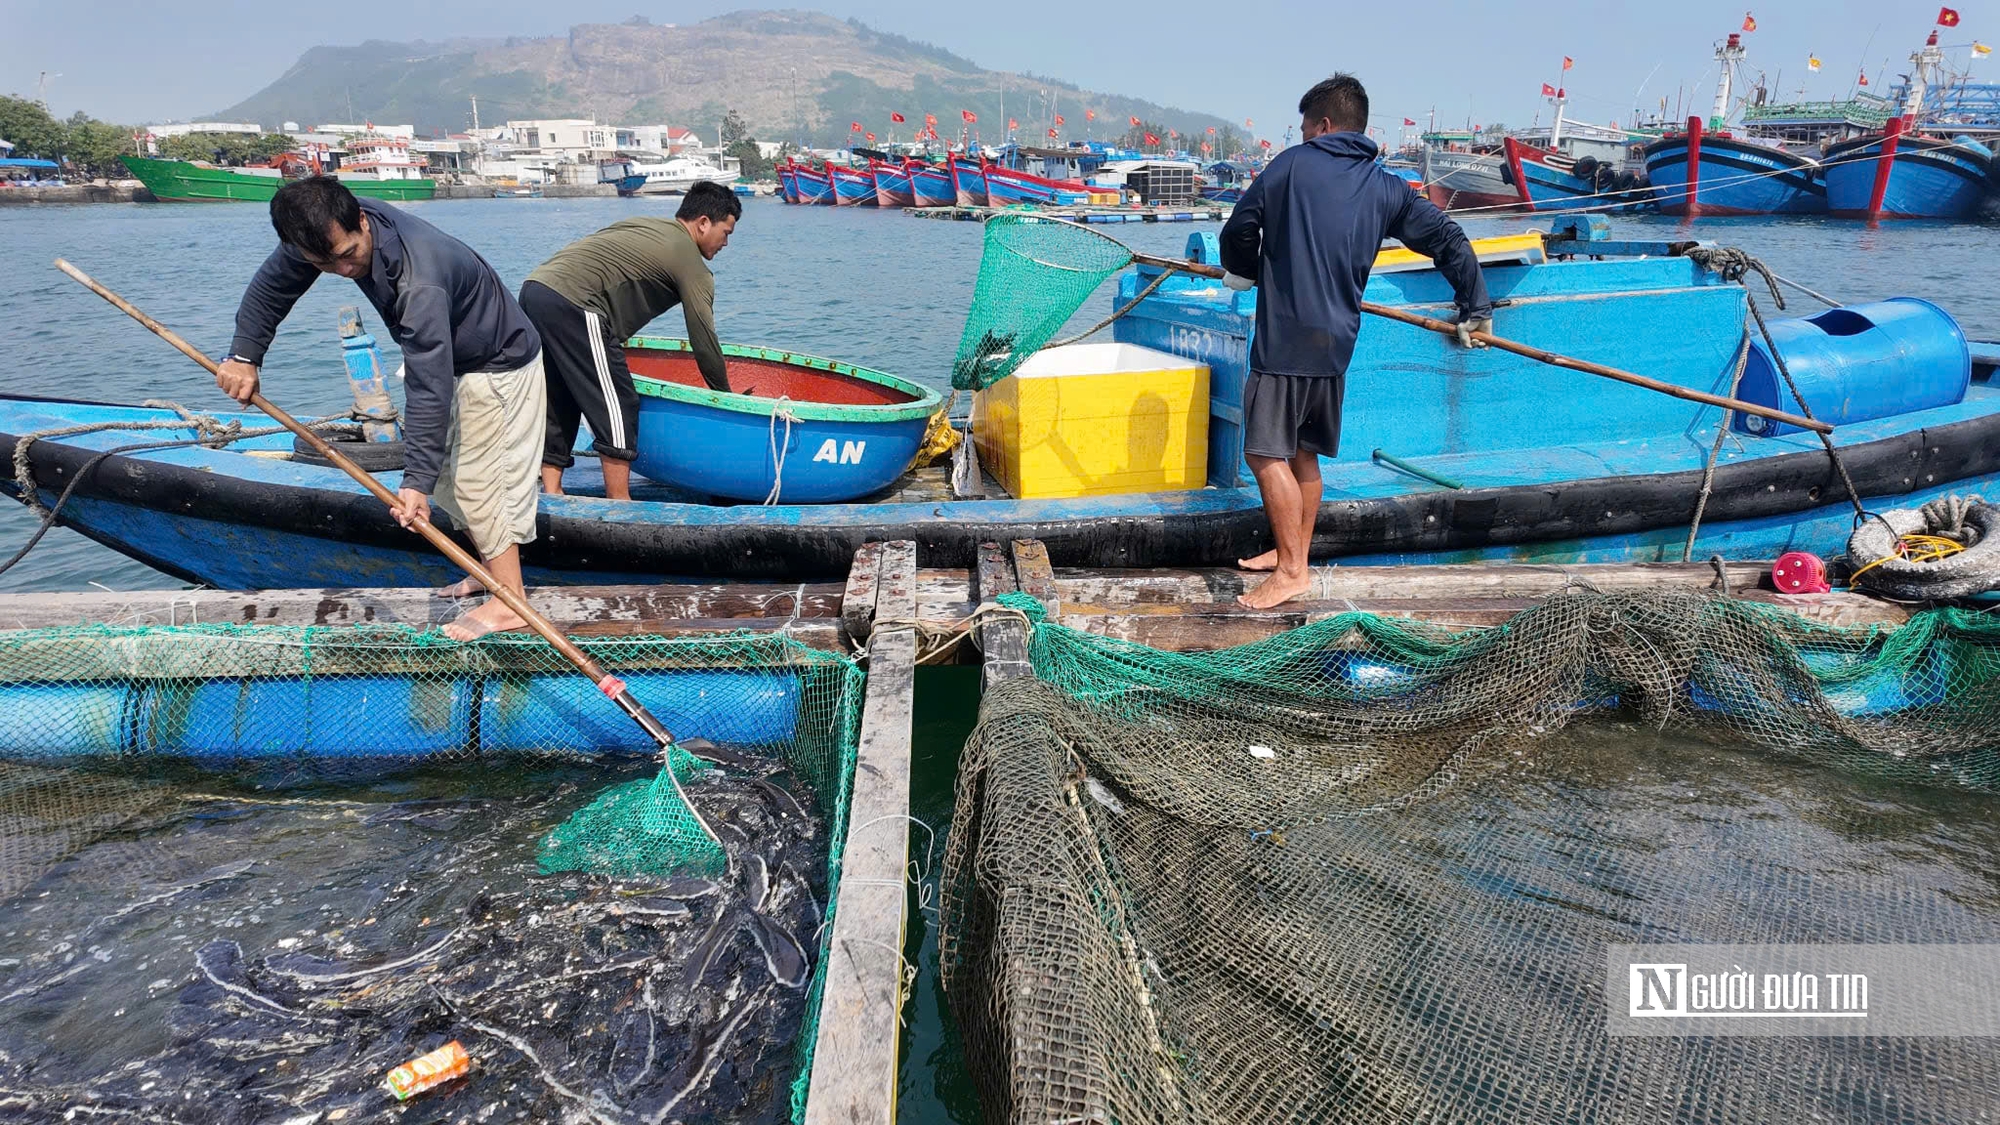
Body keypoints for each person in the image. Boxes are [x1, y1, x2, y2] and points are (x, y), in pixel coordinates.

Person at [214, 176, 545, 641]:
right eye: (323, 264)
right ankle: (486, 571)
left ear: (363, 222)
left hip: (498, 365)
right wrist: (244, 356)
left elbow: (428, 385)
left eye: (349, 255)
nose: (343, 270)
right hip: (449, 360)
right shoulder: (321, 227)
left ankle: (510, 600)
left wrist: (414, 484)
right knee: (450, 484)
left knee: (481, 481)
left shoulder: (420, 277)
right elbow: (272, 288)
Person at [1220, 73, 1492, 609]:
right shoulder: (1385, 186)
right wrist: (1475, 308)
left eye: (1303, 128)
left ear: (1322, 126)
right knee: (1304, 454)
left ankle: (1294, 570)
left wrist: (1243, 271)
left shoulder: (1290, 167)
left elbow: (1238, 230)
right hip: (1337, 345)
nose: (1300, 138)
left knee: (1262, 453)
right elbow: (1448, 239)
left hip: (1285, 343)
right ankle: (1288, 550)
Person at [523, 180, 740, 501]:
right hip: (575, 303)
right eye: (727, 233)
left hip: (535, 290)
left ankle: (553, 491)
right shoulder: (691, 262)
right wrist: (725, 398)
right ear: (704, 223)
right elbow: (703, 338)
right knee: (619, 401)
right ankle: (619, 502)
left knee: (559, 396)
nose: (726, 243)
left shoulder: (644, 225)